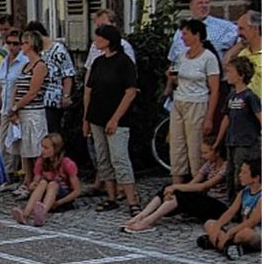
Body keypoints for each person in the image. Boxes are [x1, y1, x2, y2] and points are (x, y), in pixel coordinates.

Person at [84, 24, 140, 216]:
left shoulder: (124, 62)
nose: (95, 41)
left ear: (108, 41)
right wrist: (86, 118)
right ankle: (111, 196)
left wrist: (115, 118)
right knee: (103, 158)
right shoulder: (99, 62)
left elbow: (130, 92)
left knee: (119, 158)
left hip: (117, 118)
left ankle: (132, 200)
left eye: (99, 38)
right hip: (96, 116)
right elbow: (89, 89)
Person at [124, 137, 227, 233]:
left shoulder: (225, 167)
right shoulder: (209, 164)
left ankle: (148, 222)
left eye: (206, 152)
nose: (203, 156)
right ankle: (142, 215)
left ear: (217, 152)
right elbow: (193, 183)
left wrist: (176, 187)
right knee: (170, 188)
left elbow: (203, 186)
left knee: (177, 192)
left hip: (220, 205)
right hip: (208, 199)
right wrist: (175, 189)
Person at [164, 19, 221, 185]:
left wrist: (209, 117)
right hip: (179, 102)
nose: (183, 38)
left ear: (196, 35)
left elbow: (214, 89)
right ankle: (176, 188)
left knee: (195, 147)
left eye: (185, 34)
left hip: (197, 103)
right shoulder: (182, 56)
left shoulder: (208, 58)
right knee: (177, 146)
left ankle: (197, 187)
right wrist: (171, 79)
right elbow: (179, 81)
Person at [8, 31, 49, 198]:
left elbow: (33, 92)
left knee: (36, 149)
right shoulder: (26, 66)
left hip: (34, 112)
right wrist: (13, 107)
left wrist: (17, 106)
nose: (21, 46)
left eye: (23, 43)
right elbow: (18, 87)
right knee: (25, 150)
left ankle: (37, 181)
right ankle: (27, 180)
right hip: (22, 113)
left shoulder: (40, 66)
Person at [215, 56, 261, 201]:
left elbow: (259, 115)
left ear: (240, 75)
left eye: (230, 72)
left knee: (240, 176)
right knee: (230, 174)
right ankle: (231, 206)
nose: (227, 75)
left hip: (246, 143)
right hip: (232, 141)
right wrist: (218, 141)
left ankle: (242, 206)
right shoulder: (231, 96)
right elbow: (226, 118)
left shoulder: (249, 97)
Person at [12, 133, 81, 226]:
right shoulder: (41, 161)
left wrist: (59, 203)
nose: (42, 150)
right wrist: (32, 185)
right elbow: (36, 180)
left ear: (55, 149)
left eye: (46, 148)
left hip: (62, 197)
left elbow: (77, 191)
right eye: (42, 147)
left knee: (53, 184)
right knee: (43, 182)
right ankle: (26, 214)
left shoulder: (67, 163)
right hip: (46, 195)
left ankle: (42, 214)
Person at [199, 159, 261, 260]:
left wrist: (231, 232)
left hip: (256, 231)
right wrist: (217, 227)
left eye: (244, 172)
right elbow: (230, 212)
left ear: (256, 178)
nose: (240, 175)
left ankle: (218, 242)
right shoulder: (244, 192)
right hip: (240, 227)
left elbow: (253, 221)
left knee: (246, 234)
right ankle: (227, 246)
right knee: (209, 223)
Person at [168, 0, 239, 69]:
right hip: (186, 77)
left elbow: (243, 38)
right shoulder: (181, 31)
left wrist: (229, 55)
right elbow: (173, 60)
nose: (204, 6)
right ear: (191, 6)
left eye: (206, 3)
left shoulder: (224, 26)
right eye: (200, 3)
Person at [0, 30, 27, 188]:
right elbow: (1, 88)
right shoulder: (4, 62)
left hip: (18, 109)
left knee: (18, 145)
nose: (12, 47)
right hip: (4, 109)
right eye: (9, 43)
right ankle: (7, 175)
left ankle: (21, 177)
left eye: (16, 43)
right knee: (3, 144)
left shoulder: (25, 62)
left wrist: (16, 108)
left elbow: (23, 87)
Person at [224, 10, 261, 95]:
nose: (238, 33)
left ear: (255, 29)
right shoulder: (242, 54)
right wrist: (239, 45)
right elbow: (227, 66)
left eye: (241, 29)